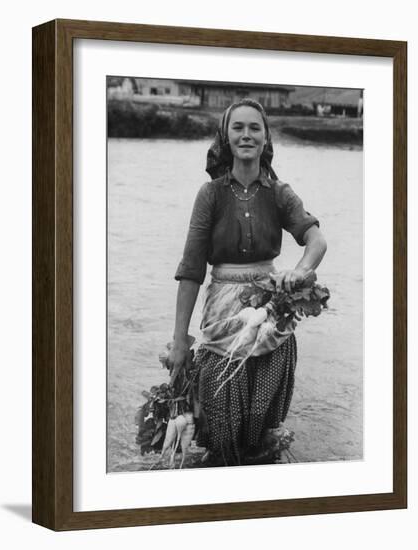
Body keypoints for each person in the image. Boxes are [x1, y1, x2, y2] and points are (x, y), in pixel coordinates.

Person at [171, 98, 327, 466]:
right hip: (222, 316)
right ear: (225, 137)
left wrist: (300, 271)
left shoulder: (279, 193)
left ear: (265, 137)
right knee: (222, 422)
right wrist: (179, 340)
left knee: (259, 418)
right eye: (237, 127)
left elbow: (316, 241)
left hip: (271, 313)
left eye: (254, 127)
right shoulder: (209, 195)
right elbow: (192, 270)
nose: (246, 134)